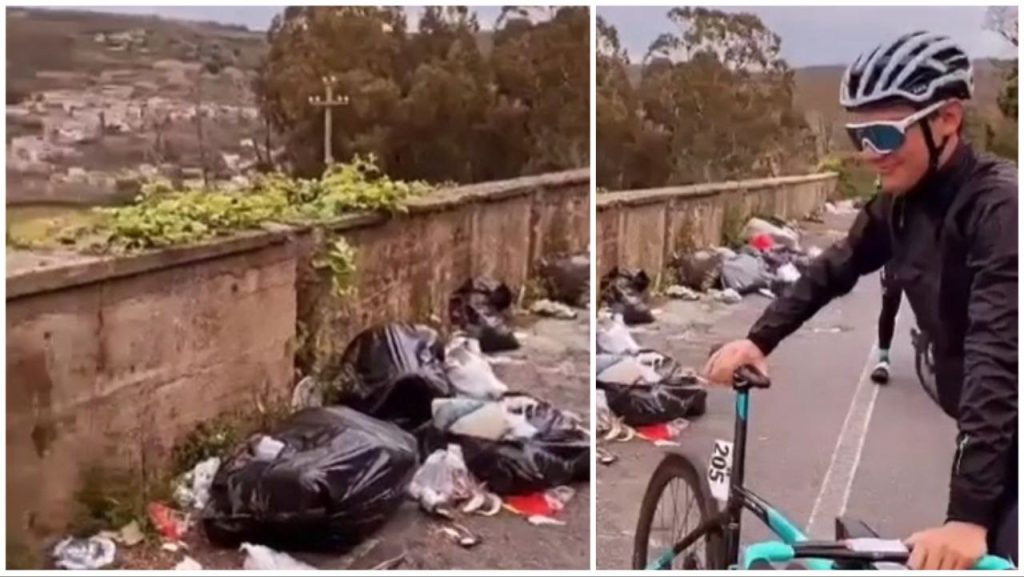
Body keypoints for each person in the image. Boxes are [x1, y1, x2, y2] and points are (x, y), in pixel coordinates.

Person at [704, 31, 1017, 571]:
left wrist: (967, 517)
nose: (871, 154)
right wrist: (758, 338)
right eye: (859, 136)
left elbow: (997, 359)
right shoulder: (900, 203)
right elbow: (835, 267)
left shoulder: (999, 209)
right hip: (988, 426)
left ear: (947, 118)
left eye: (883, 133)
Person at [871, 262, 902, 384]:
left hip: (922, 259)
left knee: (929, 306)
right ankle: (883, 360)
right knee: (889, 305)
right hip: (895, 260)